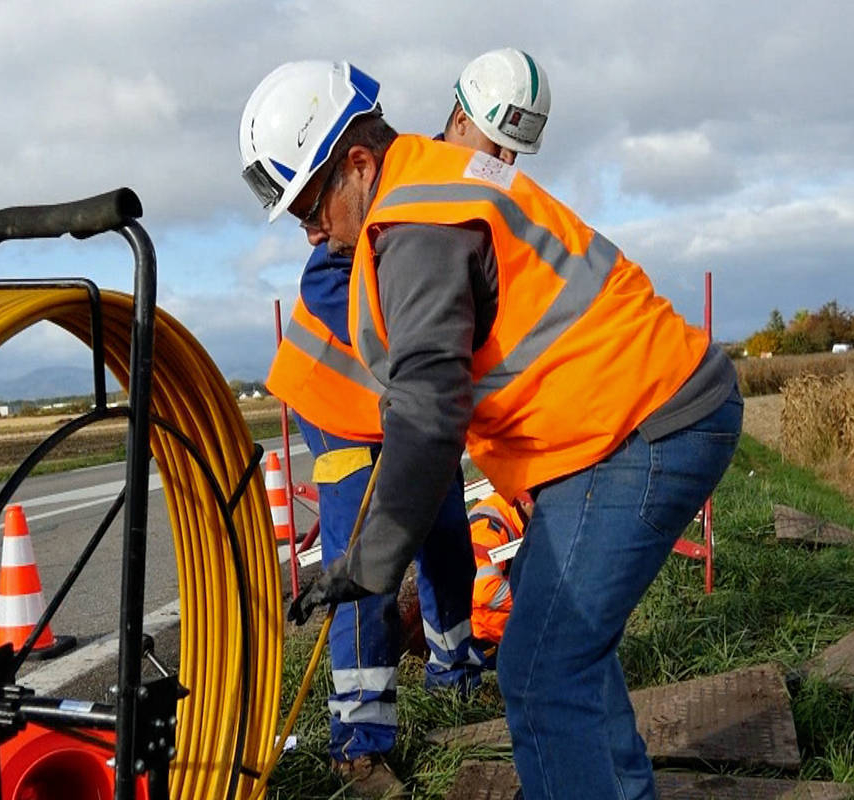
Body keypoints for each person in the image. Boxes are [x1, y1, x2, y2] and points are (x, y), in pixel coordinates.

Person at [239, 60, 742, 800]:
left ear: (356, 162)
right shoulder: (426, 186)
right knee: (564, 643)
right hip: (619, 427)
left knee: (542, 669)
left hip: (644, 427)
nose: (311, 230)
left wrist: (370, 562)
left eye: (311, 206)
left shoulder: (416, 226)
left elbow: (428, 408)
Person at [260, 50, 552, 798]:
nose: (502, 166)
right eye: (494, 148)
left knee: (448, 538)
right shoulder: (377, 216)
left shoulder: (436, 200)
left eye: (513, 154)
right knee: (367, 566)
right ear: (458, 120)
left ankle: (457, 669)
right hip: (343, 413)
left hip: (413, 421)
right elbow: (357, 312)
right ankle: (359, 742)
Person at [465, 490, 531, 660]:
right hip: (488, 640)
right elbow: (487, 591)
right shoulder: (487, 526)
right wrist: (542, 602)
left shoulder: (526, 518)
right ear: (524, 500)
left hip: (516, 631)